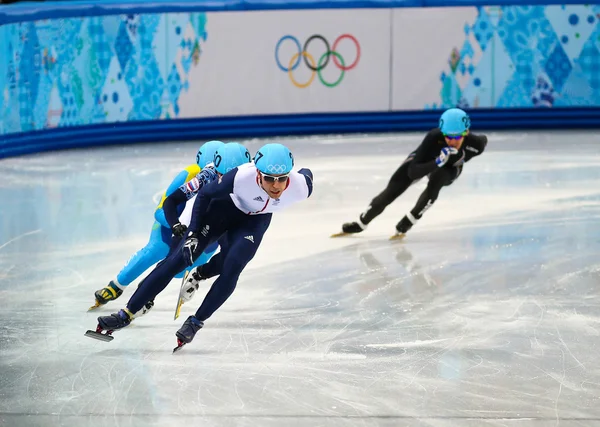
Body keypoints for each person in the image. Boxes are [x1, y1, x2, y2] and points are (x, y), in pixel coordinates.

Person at [89, 143, 314, 352]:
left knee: (233, 266)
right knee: (177, 259)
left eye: (282, 179)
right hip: (222, 212)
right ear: (257, 173)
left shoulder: (300, 187)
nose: (276, 186)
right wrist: (193, 233)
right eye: (268, 179)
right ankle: (126, 313)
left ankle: (196, 322)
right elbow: (203, 194)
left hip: (254, 221)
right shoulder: (238, 177)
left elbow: (307, 175)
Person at [89, 140, 224, 310]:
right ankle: (116, 286)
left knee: (179, 268)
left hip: (203, 234)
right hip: (172, 228)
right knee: (154, 251)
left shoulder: (234, 183)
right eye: (208, 173)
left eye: (220, 174)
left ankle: (147, 286)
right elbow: (161, 211)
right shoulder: (190, 175)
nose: (214, 178)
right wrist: (176, 225)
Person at [334, 108, 487, 239]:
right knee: (391, 191)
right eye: (448, 136)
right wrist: (437, 161)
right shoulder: (434, 138)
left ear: (466, 132)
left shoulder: (476, 144)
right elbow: (413, 172)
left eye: (457, 137)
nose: (452, 141)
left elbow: (483, 140)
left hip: (450, 167)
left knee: (437, 181)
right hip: (426, 161)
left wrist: (443, 164)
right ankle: (361, 223)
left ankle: (408, 221)